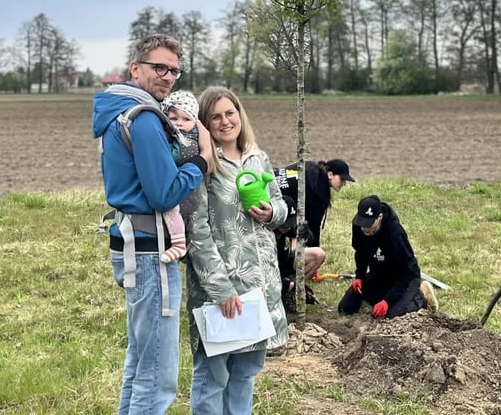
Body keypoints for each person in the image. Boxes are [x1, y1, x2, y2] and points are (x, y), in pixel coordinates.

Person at [91, 33, 212, 414]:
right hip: (150, 253)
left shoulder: (119, 111)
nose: (168, 77)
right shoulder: (144, 119)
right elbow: (164, 193)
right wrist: (201, 162)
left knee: (140, 361)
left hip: (132, 242)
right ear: (136, 68)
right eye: (159, 67)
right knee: (157, 376)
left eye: (174, 70)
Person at [185, 86, 289, 415]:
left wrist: (272, 213)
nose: (225, 121)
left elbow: (281, 206)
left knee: (245, 374)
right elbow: (196, 230)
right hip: (223, 289)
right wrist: (220, 288)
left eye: (230, 113)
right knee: (212, 376)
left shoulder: (258, 157)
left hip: (261, 288)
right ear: (204, 124)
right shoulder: (201, 165)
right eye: (215, 116)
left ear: (240, 115)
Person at [338, 195, 437, 319]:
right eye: (362, 223)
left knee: (392, 315)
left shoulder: (395, 234)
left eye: (368, 224)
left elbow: (407, 272)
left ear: (380, 217)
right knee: (346, 307)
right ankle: (380, 297)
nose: (364, 228)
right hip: (378, 274)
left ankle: (422, 297)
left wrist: (387, 301)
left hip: (403, 277)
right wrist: (360, 276)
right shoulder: (359, 227)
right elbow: (360, 252)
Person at [272, 159, 353, 301]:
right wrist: (313, 266)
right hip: (274, 214)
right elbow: (314, 228)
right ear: (330, 175)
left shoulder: (309, 167)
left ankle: (287, 282)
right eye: (342, 179)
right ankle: (291, 286)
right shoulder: (318, 191)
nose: (344, 184)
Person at [158, 90, 202, 263]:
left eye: (186, 119)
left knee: (172, 212)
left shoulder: (189, 141)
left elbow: (174, 156)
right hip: (185, 189)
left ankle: (178, 245)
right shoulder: (179, 137)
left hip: (186, 193)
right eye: (174, 119)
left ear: (195, 121)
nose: (179, 124)